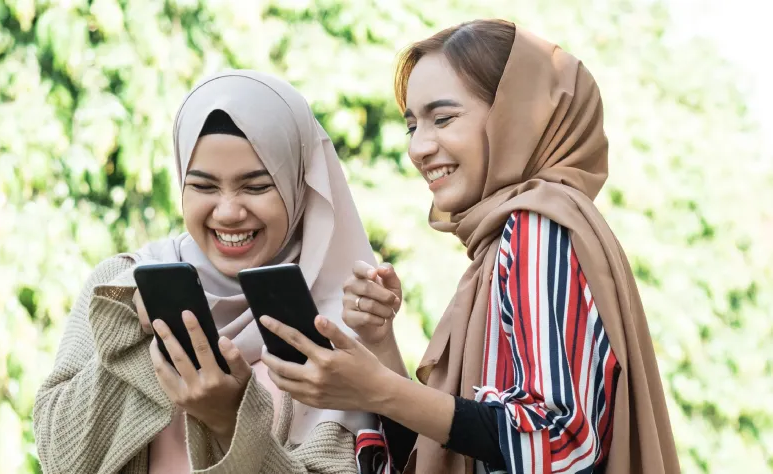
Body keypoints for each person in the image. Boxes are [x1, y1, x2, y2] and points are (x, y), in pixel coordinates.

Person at [259, 19, 681, 473]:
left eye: (443, 119)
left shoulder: (537, 225)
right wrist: (380, 346)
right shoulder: (503, 241)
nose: (419, 147)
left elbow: (558, 442)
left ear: (514, 119)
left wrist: (377, 389)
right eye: (412, 126)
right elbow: (453, 446)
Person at [33, 70, 390, 474]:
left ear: (297, 184)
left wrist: (230, 422)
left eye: (255, 187)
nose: (228, 212)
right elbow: (59, 459)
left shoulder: (339, 324)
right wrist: (130, 336)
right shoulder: (122, 286)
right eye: (203, 186)